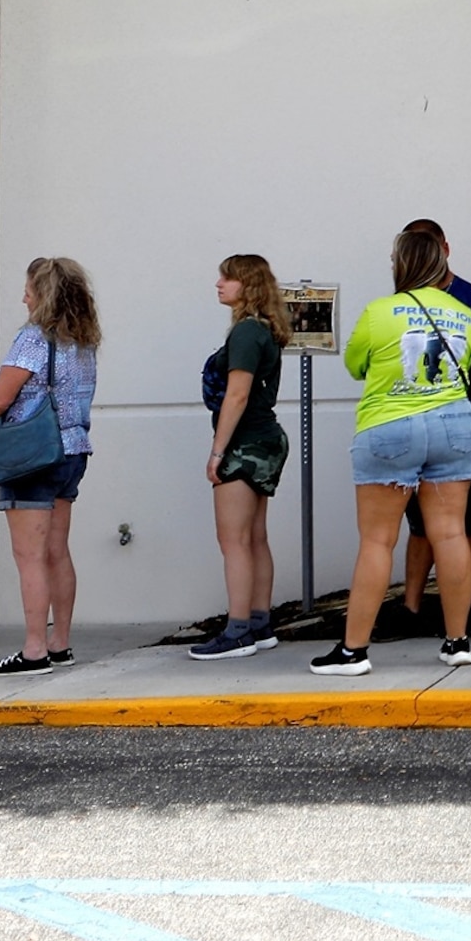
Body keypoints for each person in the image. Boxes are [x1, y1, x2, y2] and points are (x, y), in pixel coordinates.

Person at [311, 229, 471, 676]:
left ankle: (353, 651)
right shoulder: (464, 313)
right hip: (455, 426)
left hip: (391, 426)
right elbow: (469, 362)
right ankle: (458, 640)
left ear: (402, 263)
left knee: (377, 540)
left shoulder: (380, 312)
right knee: (450, 534)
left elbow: (354, 365)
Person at [0, 256, 102, 676]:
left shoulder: (32, 339)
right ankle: (59, 644)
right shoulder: (83, 341)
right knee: (57, 552)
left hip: (32, 455)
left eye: (28, 288)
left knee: (29, 557)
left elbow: (0, 398)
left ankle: (33, 651)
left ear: (44, 294)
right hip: (72, 451)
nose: (22, 296)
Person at [395, 218, 471, 637]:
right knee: (419, 525)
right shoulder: (398, 305)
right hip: (414, 430)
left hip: (467, 427)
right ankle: (410, 608)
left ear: (445, 248)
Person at [192, 254, 291, 661]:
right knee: (253, 537)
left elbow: (237, 394)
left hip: (246, 442)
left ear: (246, 286)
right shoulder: (262, 330)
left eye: (227, 278)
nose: (218, 283)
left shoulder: (247, 333)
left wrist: (217, 451)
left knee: (233, 540)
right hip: (264, 439)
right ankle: (258, 622)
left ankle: (237, 632)